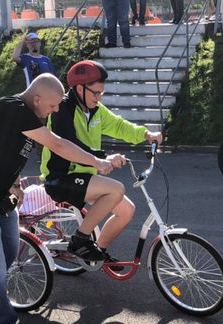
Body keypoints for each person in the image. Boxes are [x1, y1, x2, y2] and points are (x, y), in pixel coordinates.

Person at [0, 74, 113, 324]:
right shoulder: (12, 107)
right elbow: (58, 144)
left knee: (7, 254)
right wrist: (96, 161)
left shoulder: (26, 117)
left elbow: (4, 151)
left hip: (0, 197)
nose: (56, 110)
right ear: (37, 99)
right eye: (52, 105)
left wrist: (15, 184)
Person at [40, 60, 162, 264]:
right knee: (116, 189)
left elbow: (119, 126)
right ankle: (79, 242)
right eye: (95, 93)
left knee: (126, 211)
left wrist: (146, 134)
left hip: (85, 176)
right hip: (61, 177)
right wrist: (102, 159)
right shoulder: (62, 109)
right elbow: (70, 144)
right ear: (80, 88)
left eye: (101, 93)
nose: (99, 98)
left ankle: (97, 254)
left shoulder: (95, 109)